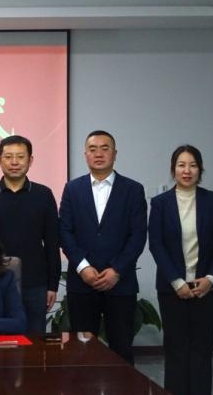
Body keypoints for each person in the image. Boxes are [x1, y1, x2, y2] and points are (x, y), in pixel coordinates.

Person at [148, 145, 213, 395]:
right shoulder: (160, 203)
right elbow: (156, 244)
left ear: (200, 170)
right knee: (176, 352)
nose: (187, 170)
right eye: (181, 165)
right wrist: (177, 281)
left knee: (201, 352)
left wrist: (211, 279)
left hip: (204, 287)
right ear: (173, 169)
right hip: (172, 289)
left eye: (192, 165)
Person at [59, 130, 147, 364]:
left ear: (115, 154)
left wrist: (116, 270)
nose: (99, 154)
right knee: (81, 352)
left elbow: (138, 235)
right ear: (85, 155)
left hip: (120, 283)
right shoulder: (72, 189)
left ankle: (123, 390)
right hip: (82, 283)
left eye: (105, 148)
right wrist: (83, 267)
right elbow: (65, 232)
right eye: (93, 149)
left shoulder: (133, 189)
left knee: (122, 350)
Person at [0, 135, 60, 335]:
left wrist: (52, 285)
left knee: (34, 340)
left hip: (35, 284)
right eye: (8, 157)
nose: (14, 162)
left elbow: (52, 242)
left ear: (30, 160)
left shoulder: (44, 195)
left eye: (20, 157)